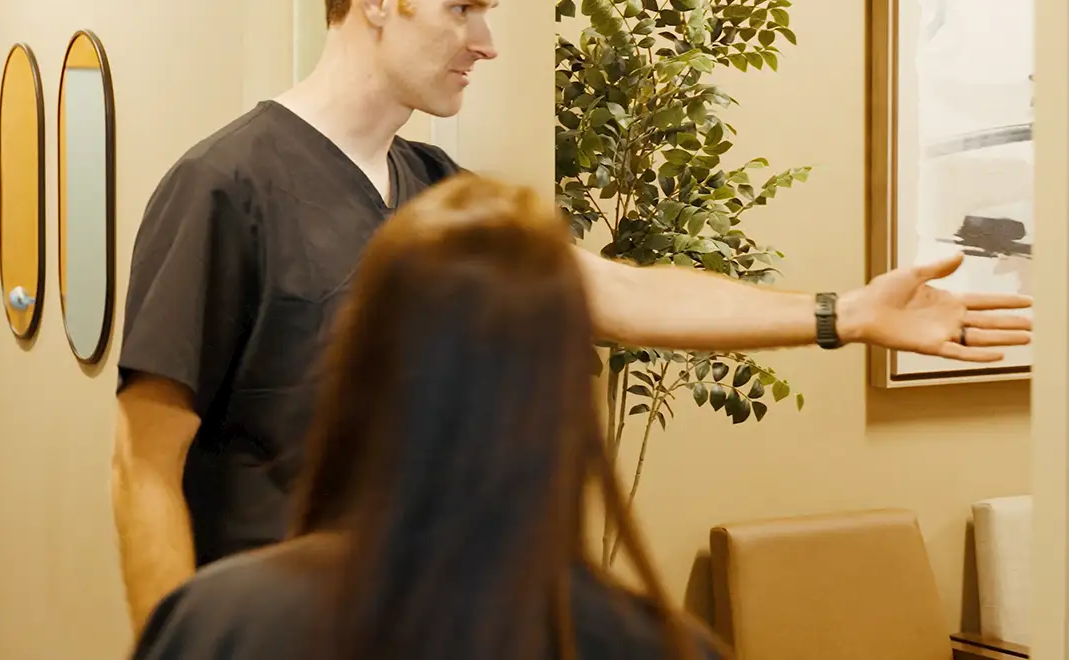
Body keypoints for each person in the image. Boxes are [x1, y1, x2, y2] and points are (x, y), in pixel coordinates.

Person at [111, 0, 1033, 635]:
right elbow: (142, 467)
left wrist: (841, 314)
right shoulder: (225, 186)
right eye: (464, 7)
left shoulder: (438, 190)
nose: (488, 42)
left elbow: (613, 291)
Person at [128, 174, 725, 660]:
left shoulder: (220, 624)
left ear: (359, 370)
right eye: (464, 14)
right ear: (566, 394)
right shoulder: (667, 647)